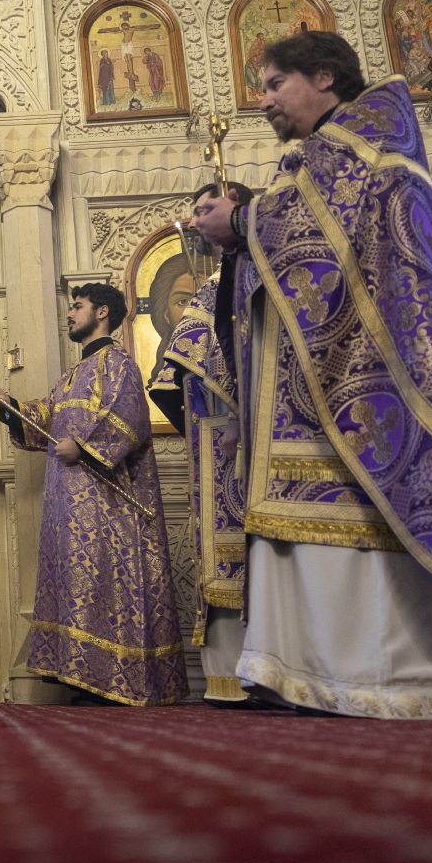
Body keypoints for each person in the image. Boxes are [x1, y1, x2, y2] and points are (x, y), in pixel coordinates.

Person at [193, 30, 432, 718]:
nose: (264, 101)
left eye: (275, 84)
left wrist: (245, 218)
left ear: (323, 77)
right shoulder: (321, 155)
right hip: (314, 392)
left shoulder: (363, 142)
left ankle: (393, 674)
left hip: (367, 384)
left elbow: (311, 230)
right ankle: (312, 670)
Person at [0, 283, 187, 707]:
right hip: (68, 503)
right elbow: (45, 416)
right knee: (77, 584)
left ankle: (116, 678)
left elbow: (130, 418)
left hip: (108, 504)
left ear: (103, 312)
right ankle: (81, 673)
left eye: (78, 307)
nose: (70, 314)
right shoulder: (73, 374)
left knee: (106, 583)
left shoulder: (119, 363)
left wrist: (84, 448)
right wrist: (9, 403)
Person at [149, 182, 258, 707]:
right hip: (218, 439)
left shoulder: (253, 276)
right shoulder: (214, 287)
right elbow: (179, 370)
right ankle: (234, 674)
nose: (195, 222)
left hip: (257, 435)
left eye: (205, 209)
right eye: (193, 212)